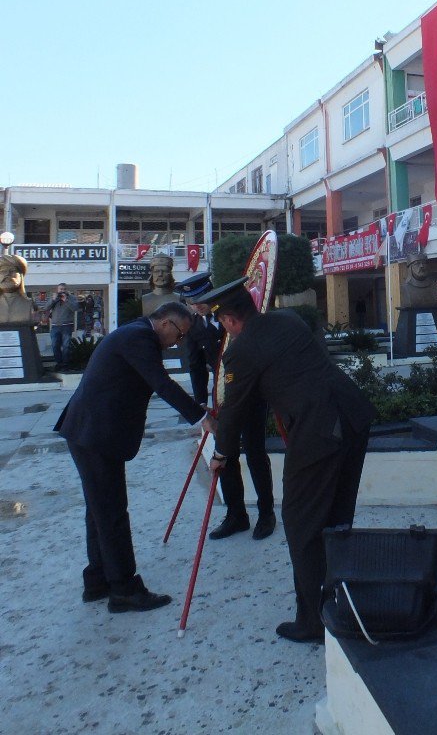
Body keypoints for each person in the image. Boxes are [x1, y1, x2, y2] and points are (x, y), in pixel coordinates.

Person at [198, 277, 375, 643]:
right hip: (352, 415)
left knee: (301, 522)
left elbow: (232, 412)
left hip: (319, 432)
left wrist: (220, 454)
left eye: (222, 323)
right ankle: (341, 597)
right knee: (337, 515)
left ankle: (314, 621)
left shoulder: (241, 350)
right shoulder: (288, 319)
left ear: (229, 320)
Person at [54, 302, 214, 612]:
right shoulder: (139, 338)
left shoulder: (136, 334)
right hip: (95, 435)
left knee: (98, 510)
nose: (178, 342)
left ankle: (98, 580)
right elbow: (162, 383)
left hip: (90, 432)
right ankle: (124, 588)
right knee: (112, 512)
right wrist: (200, 417)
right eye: (180, 334)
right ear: (166, 323)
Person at [175, 271, 276, 542]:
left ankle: (266, 513)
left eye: (201, 300)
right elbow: (196, 366)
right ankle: (236, 515)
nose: (197, 306)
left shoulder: (234, 313)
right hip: (223, 397)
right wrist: (200, 402)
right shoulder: (195, 326)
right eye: (192, 302)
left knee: (256, 454)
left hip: (252, 395)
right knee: (225, 456)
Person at [45, 282, 80, 370]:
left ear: (66, 290)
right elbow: (46, 308)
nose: (62, 291)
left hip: (67, 326)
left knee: (66, 346)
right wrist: (53, 300)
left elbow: (75, 308)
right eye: (61, 289)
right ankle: (59, 363)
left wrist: (66, 300)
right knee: (55, 345)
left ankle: (65, 364)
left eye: (64, 289)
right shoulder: (54, 297)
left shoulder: (71, 298)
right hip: (55, 326)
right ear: (58, 290)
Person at [0, 253, 33, 324]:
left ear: (21, 277)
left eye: (12, 271)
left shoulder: (28, 304)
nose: (7, 274)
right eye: (2, 271)